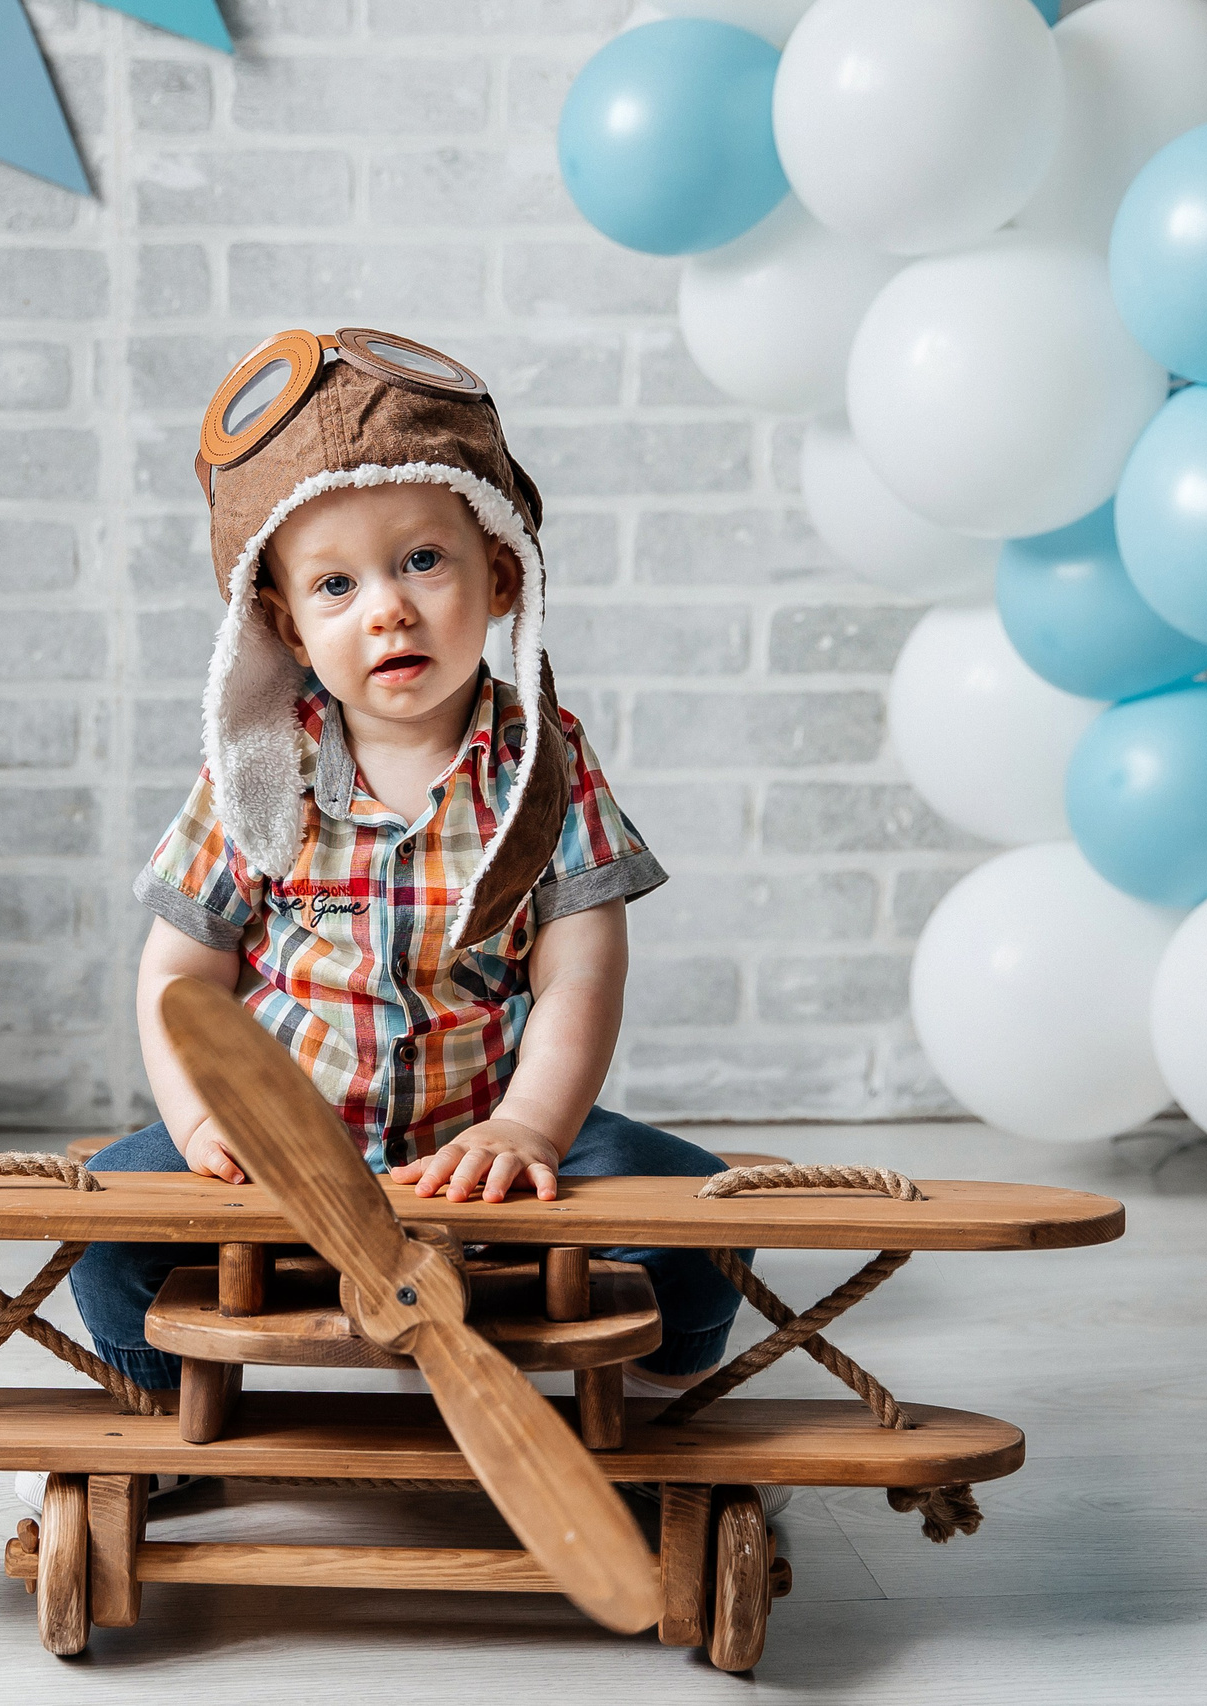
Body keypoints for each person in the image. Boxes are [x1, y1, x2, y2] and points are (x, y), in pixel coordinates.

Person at [64, 329, 750, 1418]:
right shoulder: (260, 772)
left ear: (500, 570)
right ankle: (158, 1408)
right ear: (285, 622)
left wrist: (528, 1126)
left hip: (480, 1120)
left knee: (704, 1225)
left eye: (422, 560)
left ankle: (669, 1400)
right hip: (285, 1136)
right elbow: (178, 979)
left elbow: (580, 974)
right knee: (101, 1236)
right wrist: (202, 1121)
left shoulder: (540, 766)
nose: (387, 606)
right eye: (336, 583)